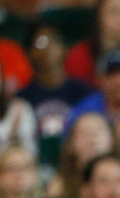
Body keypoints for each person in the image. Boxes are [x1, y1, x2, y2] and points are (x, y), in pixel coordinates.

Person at [18, 23, 93, 172]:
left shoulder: (84, 93)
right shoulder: (21, 99)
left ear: (64, 48)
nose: (48, 47)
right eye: (40, 43)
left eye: (53, 40)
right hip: (36, 167)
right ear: (30, 52)